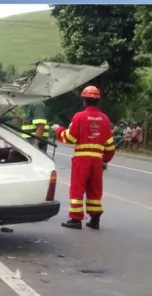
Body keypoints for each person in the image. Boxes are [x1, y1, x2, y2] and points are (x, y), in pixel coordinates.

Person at [53, 86, 115, 230]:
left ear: (84, 100)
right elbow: (110, 147)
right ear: (97, 100)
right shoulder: (105, 119)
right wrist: (105, 160)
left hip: (82, 158)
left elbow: (70, 137)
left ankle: (75, 219)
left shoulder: (79, 116)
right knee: (95, 189)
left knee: (77, 188)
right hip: (97, 160)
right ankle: (95, 218)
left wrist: (58, 130)